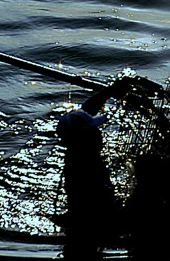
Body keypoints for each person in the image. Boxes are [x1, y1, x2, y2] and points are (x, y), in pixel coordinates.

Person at [55, 76, 160, 232]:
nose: (98, 134)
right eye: (92, 131)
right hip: (93, 223)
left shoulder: (78, 152)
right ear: (81, 139)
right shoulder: (86, 172)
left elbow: (87, 109)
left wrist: (110, 91)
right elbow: (108, 213)